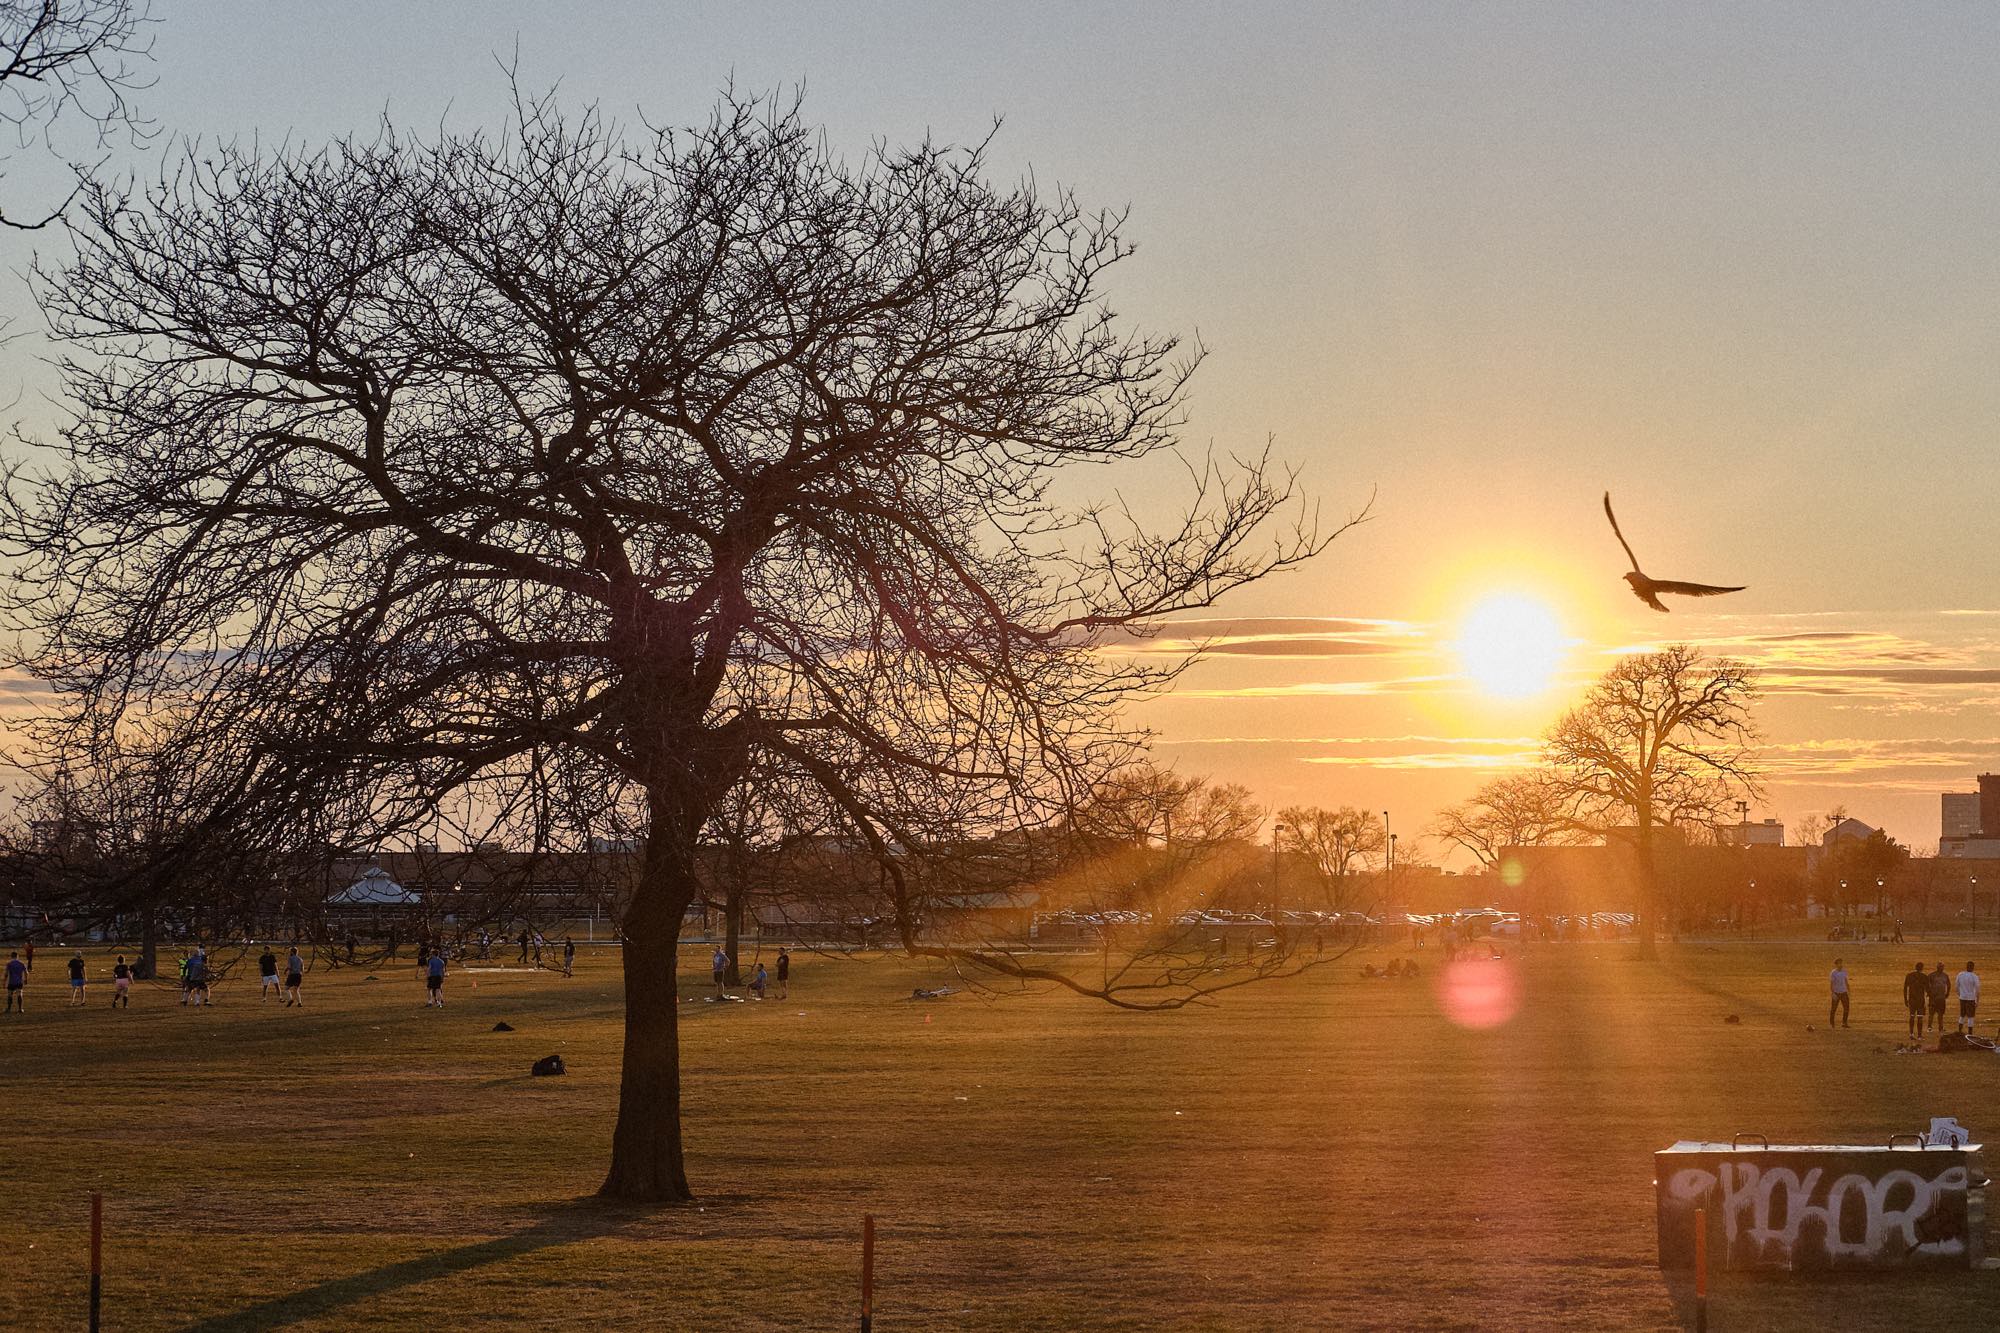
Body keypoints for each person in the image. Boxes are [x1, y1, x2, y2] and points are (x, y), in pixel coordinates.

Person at [1904, 960, 1928, 1039]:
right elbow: (1928, 990)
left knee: (1911, 1016)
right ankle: (1919, 1036)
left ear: (1915, 967)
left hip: (1912, 1000)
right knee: (1920, 1017)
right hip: (1920, 1000)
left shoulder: (1909, 975)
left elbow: (1905, 988)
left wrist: (1905, 999)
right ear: (1922, 968)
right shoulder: (1924, 977)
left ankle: (1911, 1034)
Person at [1955, 960, 1980, 1036]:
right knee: (1971, 1016)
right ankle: (1970, 1033)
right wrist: (1977, 1001)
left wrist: (1960, 994)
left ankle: (1959, 1031)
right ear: (1973, 968)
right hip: (1971, 998)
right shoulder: (1974, 976)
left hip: (1962, 997)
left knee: (1962, 1015)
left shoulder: (1960, 974)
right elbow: (1977, 989)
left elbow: (1956, 986)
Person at [1928, 961, 1952, 1033]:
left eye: (1942, 967)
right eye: (1940, 967)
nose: (1941, 968)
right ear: (1937, 967)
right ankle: (1929, 1027)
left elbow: (1949, 984)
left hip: (1941, 997)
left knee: (1940, 1014)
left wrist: (1947, 993)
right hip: (1933, 997)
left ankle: (1940, 1028)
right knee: (1931, 1013)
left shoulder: (1945, 975)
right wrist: (1929, 993)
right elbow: (1927, 985)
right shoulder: (1931, 975)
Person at [1828, 957, 1850, 1029]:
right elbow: (1831, 984)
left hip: (1844, 992)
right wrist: (1833, 993)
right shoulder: (1833, 973)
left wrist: (1848, 991)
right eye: (1839, 963)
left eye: (1841, 963)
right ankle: (1832, 1023)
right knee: (1833, 1009)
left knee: (1846, 1008)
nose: (1841, 964)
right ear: (1836, 964)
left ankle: (1844, 1023)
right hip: (1836, 992)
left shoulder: (1844, 971)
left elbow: (1846, 981)